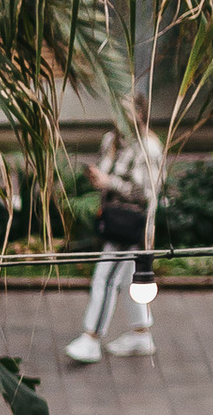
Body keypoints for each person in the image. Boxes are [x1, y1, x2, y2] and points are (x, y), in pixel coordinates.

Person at [64, 93, 165, 365]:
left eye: (127, 111)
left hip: (133, 225)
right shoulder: (111, 140)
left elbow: (147, 192)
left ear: (140, 114)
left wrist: (110, 182)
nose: (120, 117)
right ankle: (141, 334)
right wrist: (100, 178)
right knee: (131, 280)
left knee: (105, 279)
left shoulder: (148, 147)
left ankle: (91, 337)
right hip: (115, 220)